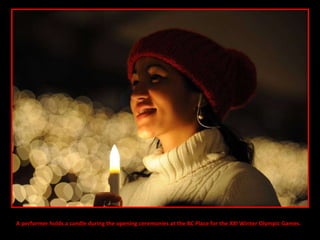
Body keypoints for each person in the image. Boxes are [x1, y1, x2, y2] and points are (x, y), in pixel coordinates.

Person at [94, 28, 281, 206]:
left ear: (201, 94)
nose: (137, 95)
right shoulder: (127, 195)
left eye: (156, 77)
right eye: (135, 83)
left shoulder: (241, 185)